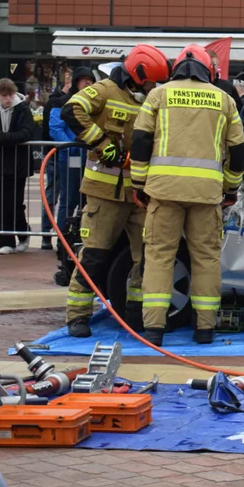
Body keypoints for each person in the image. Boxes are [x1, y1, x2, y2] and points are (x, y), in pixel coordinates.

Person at [132, 44, 244, 345]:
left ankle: (154, 330)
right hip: (207, 194)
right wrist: (230, 187)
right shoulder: (224, 100)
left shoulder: (158, 96)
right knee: (206, 259)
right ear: (210, 71)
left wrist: (138, 184)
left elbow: (141, 140)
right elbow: (237, 152)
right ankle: (205, 328)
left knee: (159, 258)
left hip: (163, 191)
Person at [62, 46, 170, 337]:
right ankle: (78, 316)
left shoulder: (152, 99)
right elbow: (72, 110)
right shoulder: (105, 90)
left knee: (145, 258)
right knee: (95, 255)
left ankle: (135, 315)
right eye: (151, 81)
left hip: (140, 192)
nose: (154, 87)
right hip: (104, 192)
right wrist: (101, 144)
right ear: (138, 75)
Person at [48, 67, 97, 284]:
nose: (87, 83)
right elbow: (56, 128)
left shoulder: (94, 103)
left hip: (91, 160)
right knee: (68, 203)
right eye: (83, 80)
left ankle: (85, 241)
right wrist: (74, 147)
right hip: (70, 159)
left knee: (88, 202)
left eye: (90, 80)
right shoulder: (61, 103)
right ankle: (63, 243)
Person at [0, 78, 39, 255]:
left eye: (10, 95)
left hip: (17, 165)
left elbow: (26, 133)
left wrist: (2, 137)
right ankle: (6, 241)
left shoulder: (22, 110)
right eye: (3, 95)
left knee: (14, 204)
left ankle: (22, 232)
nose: (7, 99)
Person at [39, 68, 73, 250]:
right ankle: (47, 233)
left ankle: (56, 234)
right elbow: (53, 129)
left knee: (60, 195)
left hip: (62, 153)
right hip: (55, 154)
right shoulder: (56, 102)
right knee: (54, 194)